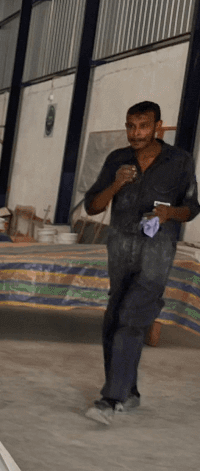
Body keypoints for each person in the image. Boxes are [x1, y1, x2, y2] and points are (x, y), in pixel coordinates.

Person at [82, 100, 200, 425]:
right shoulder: (116, 160)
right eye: (131, 126)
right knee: (114, 319)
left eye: (144, 126)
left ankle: (111, 399)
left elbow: (192, 207)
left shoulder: (180, 161)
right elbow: (92, 207)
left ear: (158, 126)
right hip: (120, 243)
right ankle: (129, 392)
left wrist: (169, 214)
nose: (136, 133)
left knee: (132, 317)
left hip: (157, 247)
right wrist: (116, 184)